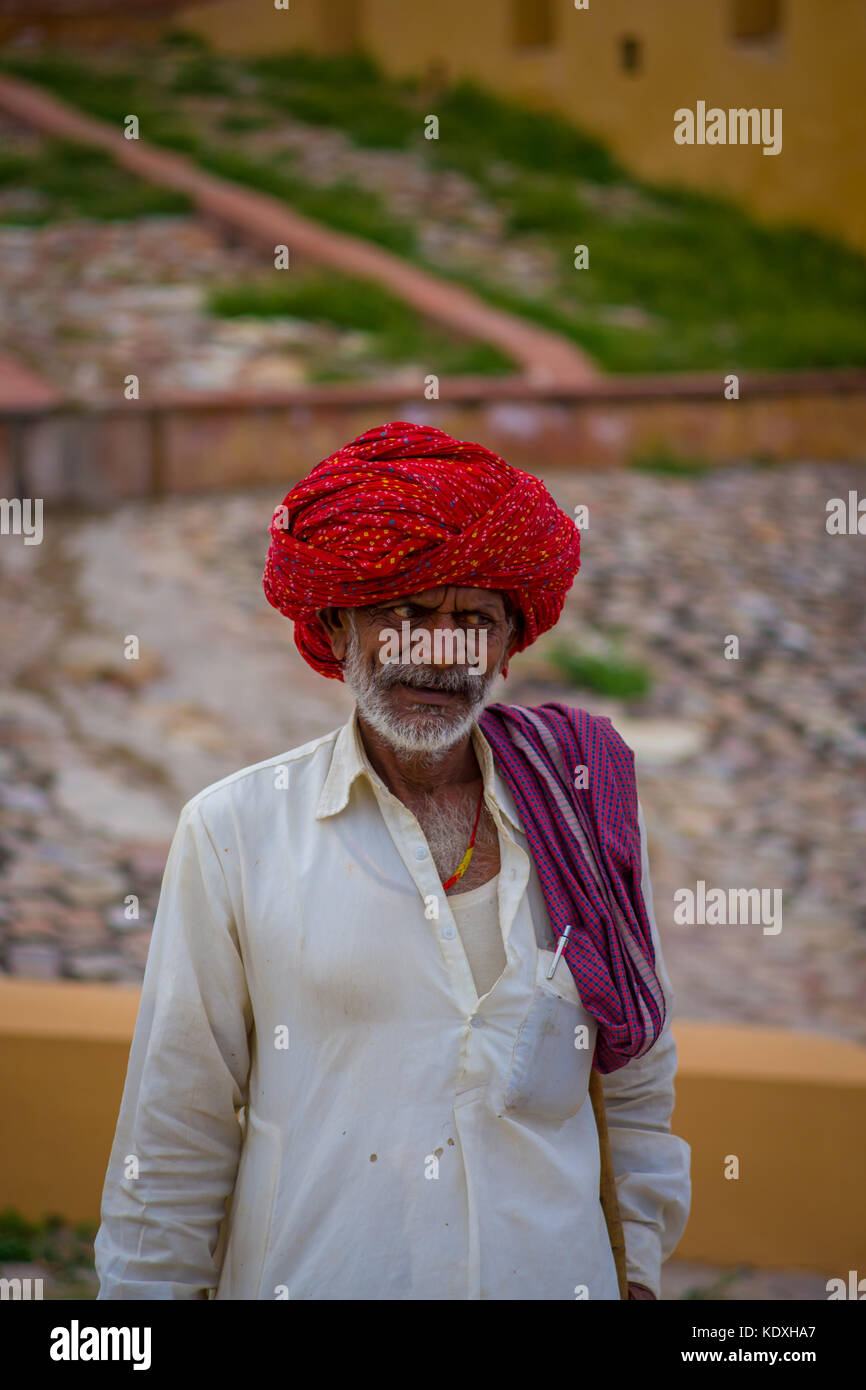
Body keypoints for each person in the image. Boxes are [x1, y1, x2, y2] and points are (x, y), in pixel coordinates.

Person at [94, 420, 690, 1300]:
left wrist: (635, 1270)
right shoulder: (234, 832)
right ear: (337, 626)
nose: (440, 654)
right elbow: (176, 1132)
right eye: (404, 614)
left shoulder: (578, 811)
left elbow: (635, 1074)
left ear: (508, 642)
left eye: (473, 622)